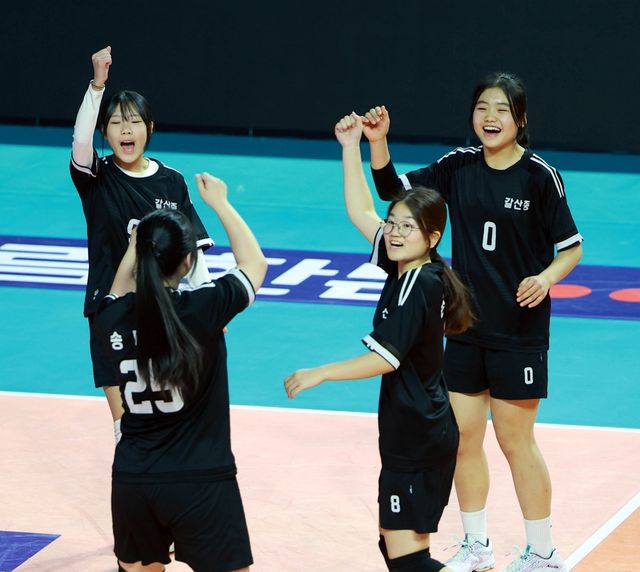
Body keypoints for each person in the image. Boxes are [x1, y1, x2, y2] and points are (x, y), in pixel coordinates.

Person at [363, 72, 583, 572]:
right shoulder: (458, 166)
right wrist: (378, 143)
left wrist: (546, 277)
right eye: (483, 107)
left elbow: (570, 248)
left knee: (514, 440)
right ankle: (477, 544)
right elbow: (392, 190)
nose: (490, 117)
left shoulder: (539, 176)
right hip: (463, 329)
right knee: (462, 438)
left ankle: (543, 552)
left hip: (519, 332)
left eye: (502, 109)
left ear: (520, 119)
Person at [284, 112, 474, 572]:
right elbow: (359, 211)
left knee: (407, 559)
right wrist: (352, 147)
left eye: (407, 226)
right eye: (393, 223)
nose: (394, 232)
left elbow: (385, 359)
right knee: (395, 548)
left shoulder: (418, 284)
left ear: (432, 237)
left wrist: (320, 372)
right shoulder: (408, 266)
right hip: (412, 429)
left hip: (418, 435)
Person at [94, 172, 267, 572]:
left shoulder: (110, 319)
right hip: (200, 480)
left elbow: (118, 290)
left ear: (140, 256)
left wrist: (137, 243)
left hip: (134, 480)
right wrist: (220, 203)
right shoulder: (203, 308)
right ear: (188, 260)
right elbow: (254, 264)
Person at [70, 46, 213, 442]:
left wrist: (207, 303)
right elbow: (80, 142)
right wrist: (97, 86)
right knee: (126, 427)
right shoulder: (96, 177)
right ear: (104, 133)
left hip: (161, 307)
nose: (125, 130)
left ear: (150, 128)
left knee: (167, 413)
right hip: (110, 308)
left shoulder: (172, 181)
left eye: (134, 122)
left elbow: (191, 248)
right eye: (116, 123)